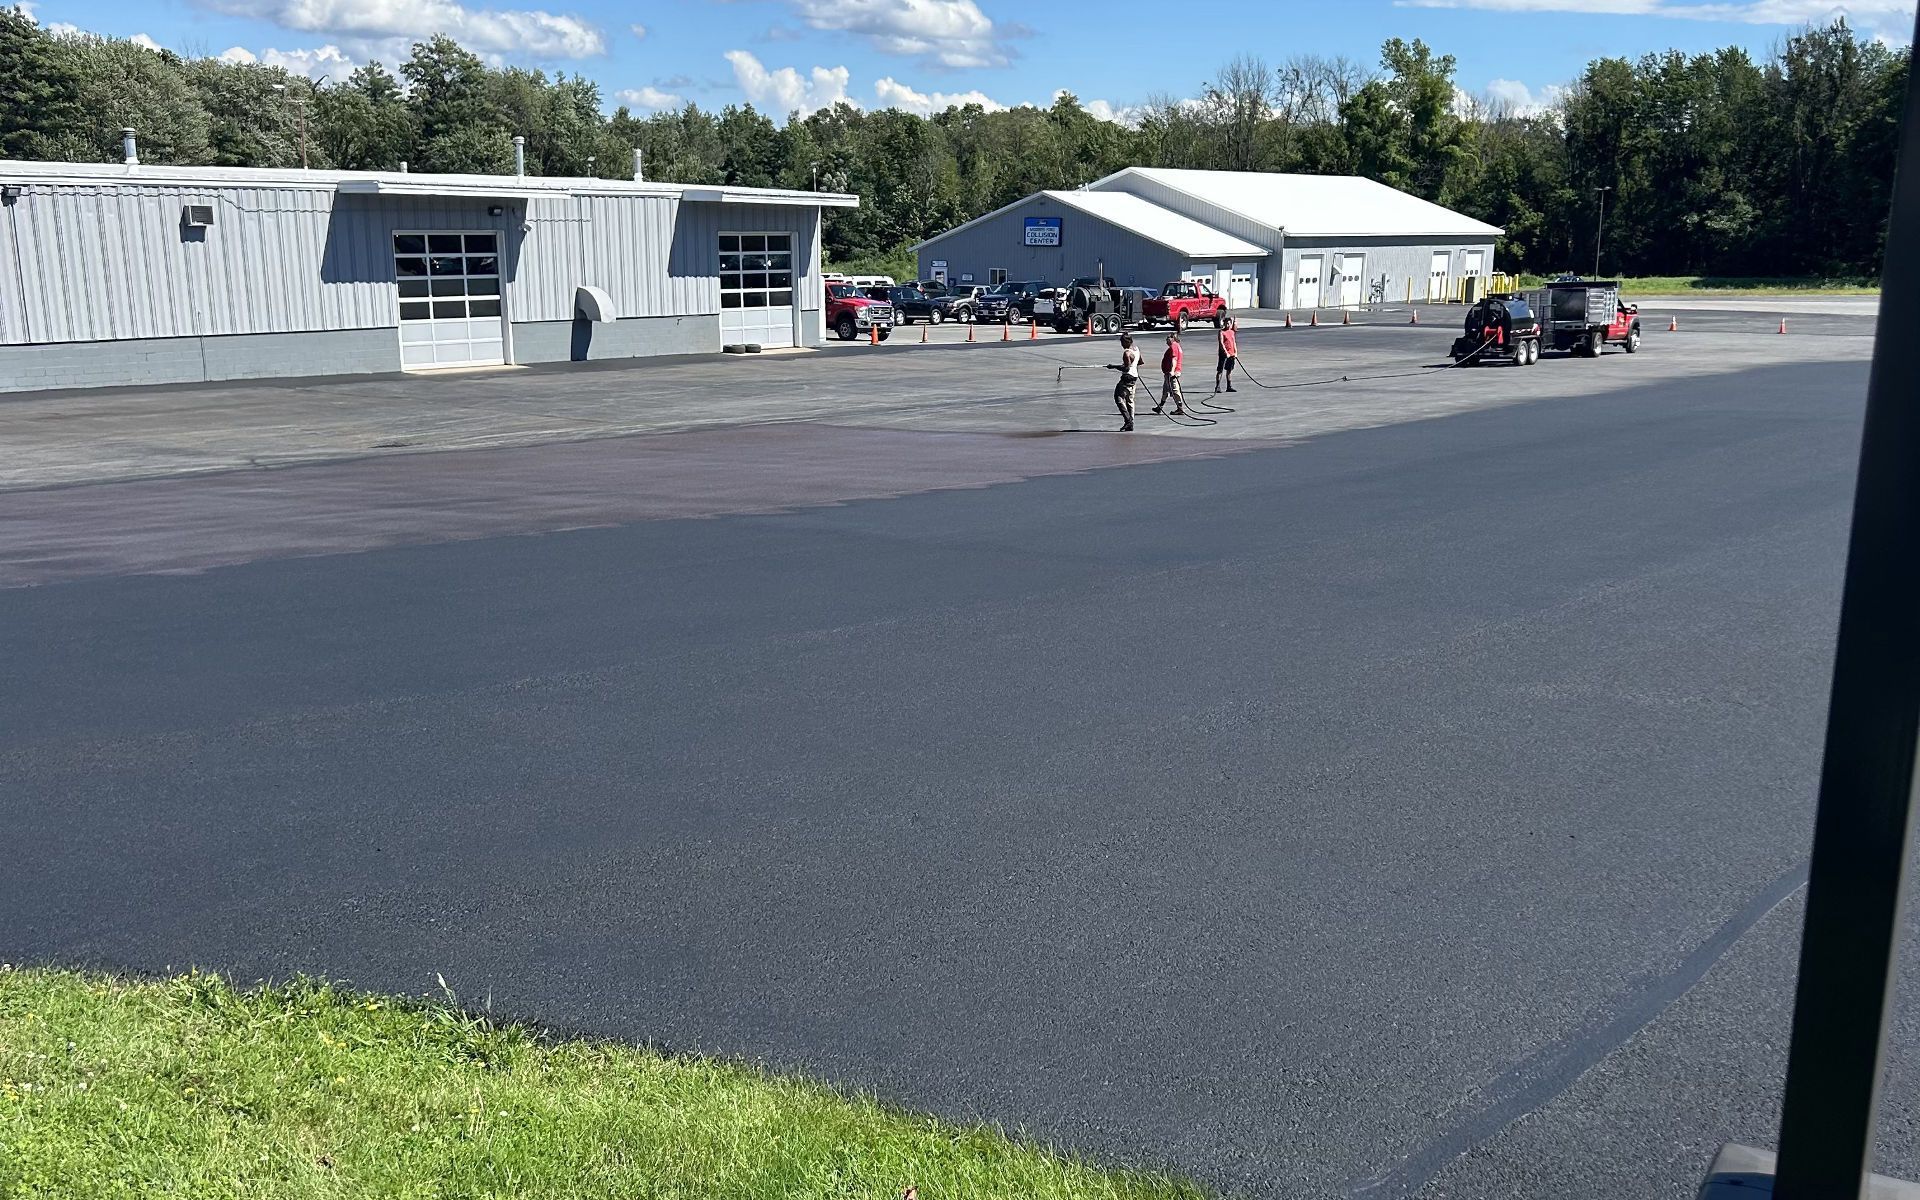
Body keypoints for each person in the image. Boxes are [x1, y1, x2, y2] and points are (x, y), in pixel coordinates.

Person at [1109, 333, 1141, 431]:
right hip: (1135, 376)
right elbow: (1140, 362)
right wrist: (1133, 365)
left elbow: (1126, 368)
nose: (1122, 345)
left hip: (1127, 377)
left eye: (1122, 342)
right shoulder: (1136, 349)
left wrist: (1113, 366)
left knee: (1118, 397)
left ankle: (1128, 421)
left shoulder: (1127, 353)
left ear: (1126, 342)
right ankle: (1131, 421)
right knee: (1130, 400)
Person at [1153, 332, 1188, 416]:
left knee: (1175, 390)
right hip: (1169, 373)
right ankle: (1160, 407)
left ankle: (1180, 408)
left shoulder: (1174, 346)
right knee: (1165, 390)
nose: (1166, 341)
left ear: (1172, 338)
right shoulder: (1176, 346)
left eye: (1167, 339)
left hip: (1172, 373)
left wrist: (1172, 371)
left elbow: (1174, 359)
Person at [1215, 317, 1239, 393]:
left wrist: (1235, 352)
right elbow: (1221, 343)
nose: (1228, 325)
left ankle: (1229, 386)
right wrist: (1226, 353)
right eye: (1226, 323)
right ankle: (1217, 387)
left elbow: (1234, 342)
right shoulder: (1221, 332)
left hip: (1231, 354)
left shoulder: (1232, 332)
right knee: (1220, 370)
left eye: (1229, 323)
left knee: (1229, 370)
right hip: (1224, 355)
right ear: (1224, 323)